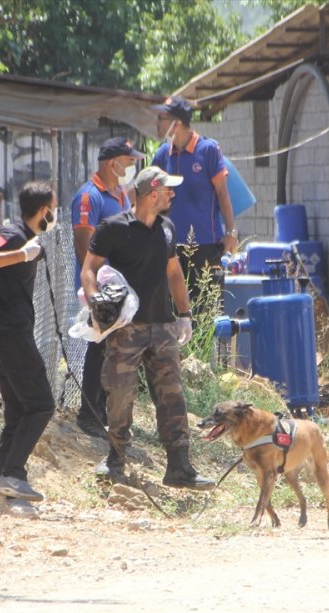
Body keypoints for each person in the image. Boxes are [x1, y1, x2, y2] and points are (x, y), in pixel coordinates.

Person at [81, 166, 216, 490]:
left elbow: (174, 274)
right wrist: (94, 303)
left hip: (163, 328)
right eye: (168, 189)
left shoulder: (167, 229)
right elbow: (89, 269)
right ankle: (115, 461)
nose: (172, 194)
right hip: (126, 331)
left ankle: (179, 468)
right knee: (120, 396)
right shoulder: (113, 228)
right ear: (151, 192)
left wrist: (184, 314)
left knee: (172, 398)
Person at [0, 181, 58, 503]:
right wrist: (22, 254)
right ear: (44, 209)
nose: (55, 214)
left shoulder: (28, 237)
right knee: (41, 404)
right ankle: (14, 474)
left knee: (18, 410)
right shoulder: (14, 234)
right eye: (54, 207)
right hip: (8, 330)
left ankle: (2, 484)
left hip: (4, 330)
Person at [71, 137, 144, 438]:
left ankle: (101, 411)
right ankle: (88, 414)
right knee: (98, 348)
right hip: (102, 288)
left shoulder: (120, 195)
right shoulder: (89, 197)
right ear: (112, 162)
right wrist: (98, 291)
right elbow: (83, 247)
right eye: (128, 161)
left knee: (114, 351)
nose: (131, 165)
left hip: (120, 287)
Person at [151, 95, 237, 304]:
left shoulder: (208, 150)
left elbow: (223, 194)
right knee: (174, 313)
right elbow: (149, 193)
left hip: (206, 246)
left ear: (177, 123)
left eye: (163, 118)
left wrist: (231, 232)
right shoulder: (163, 154)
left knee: (206, 312)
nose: (158, 123)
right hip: (171, 248)